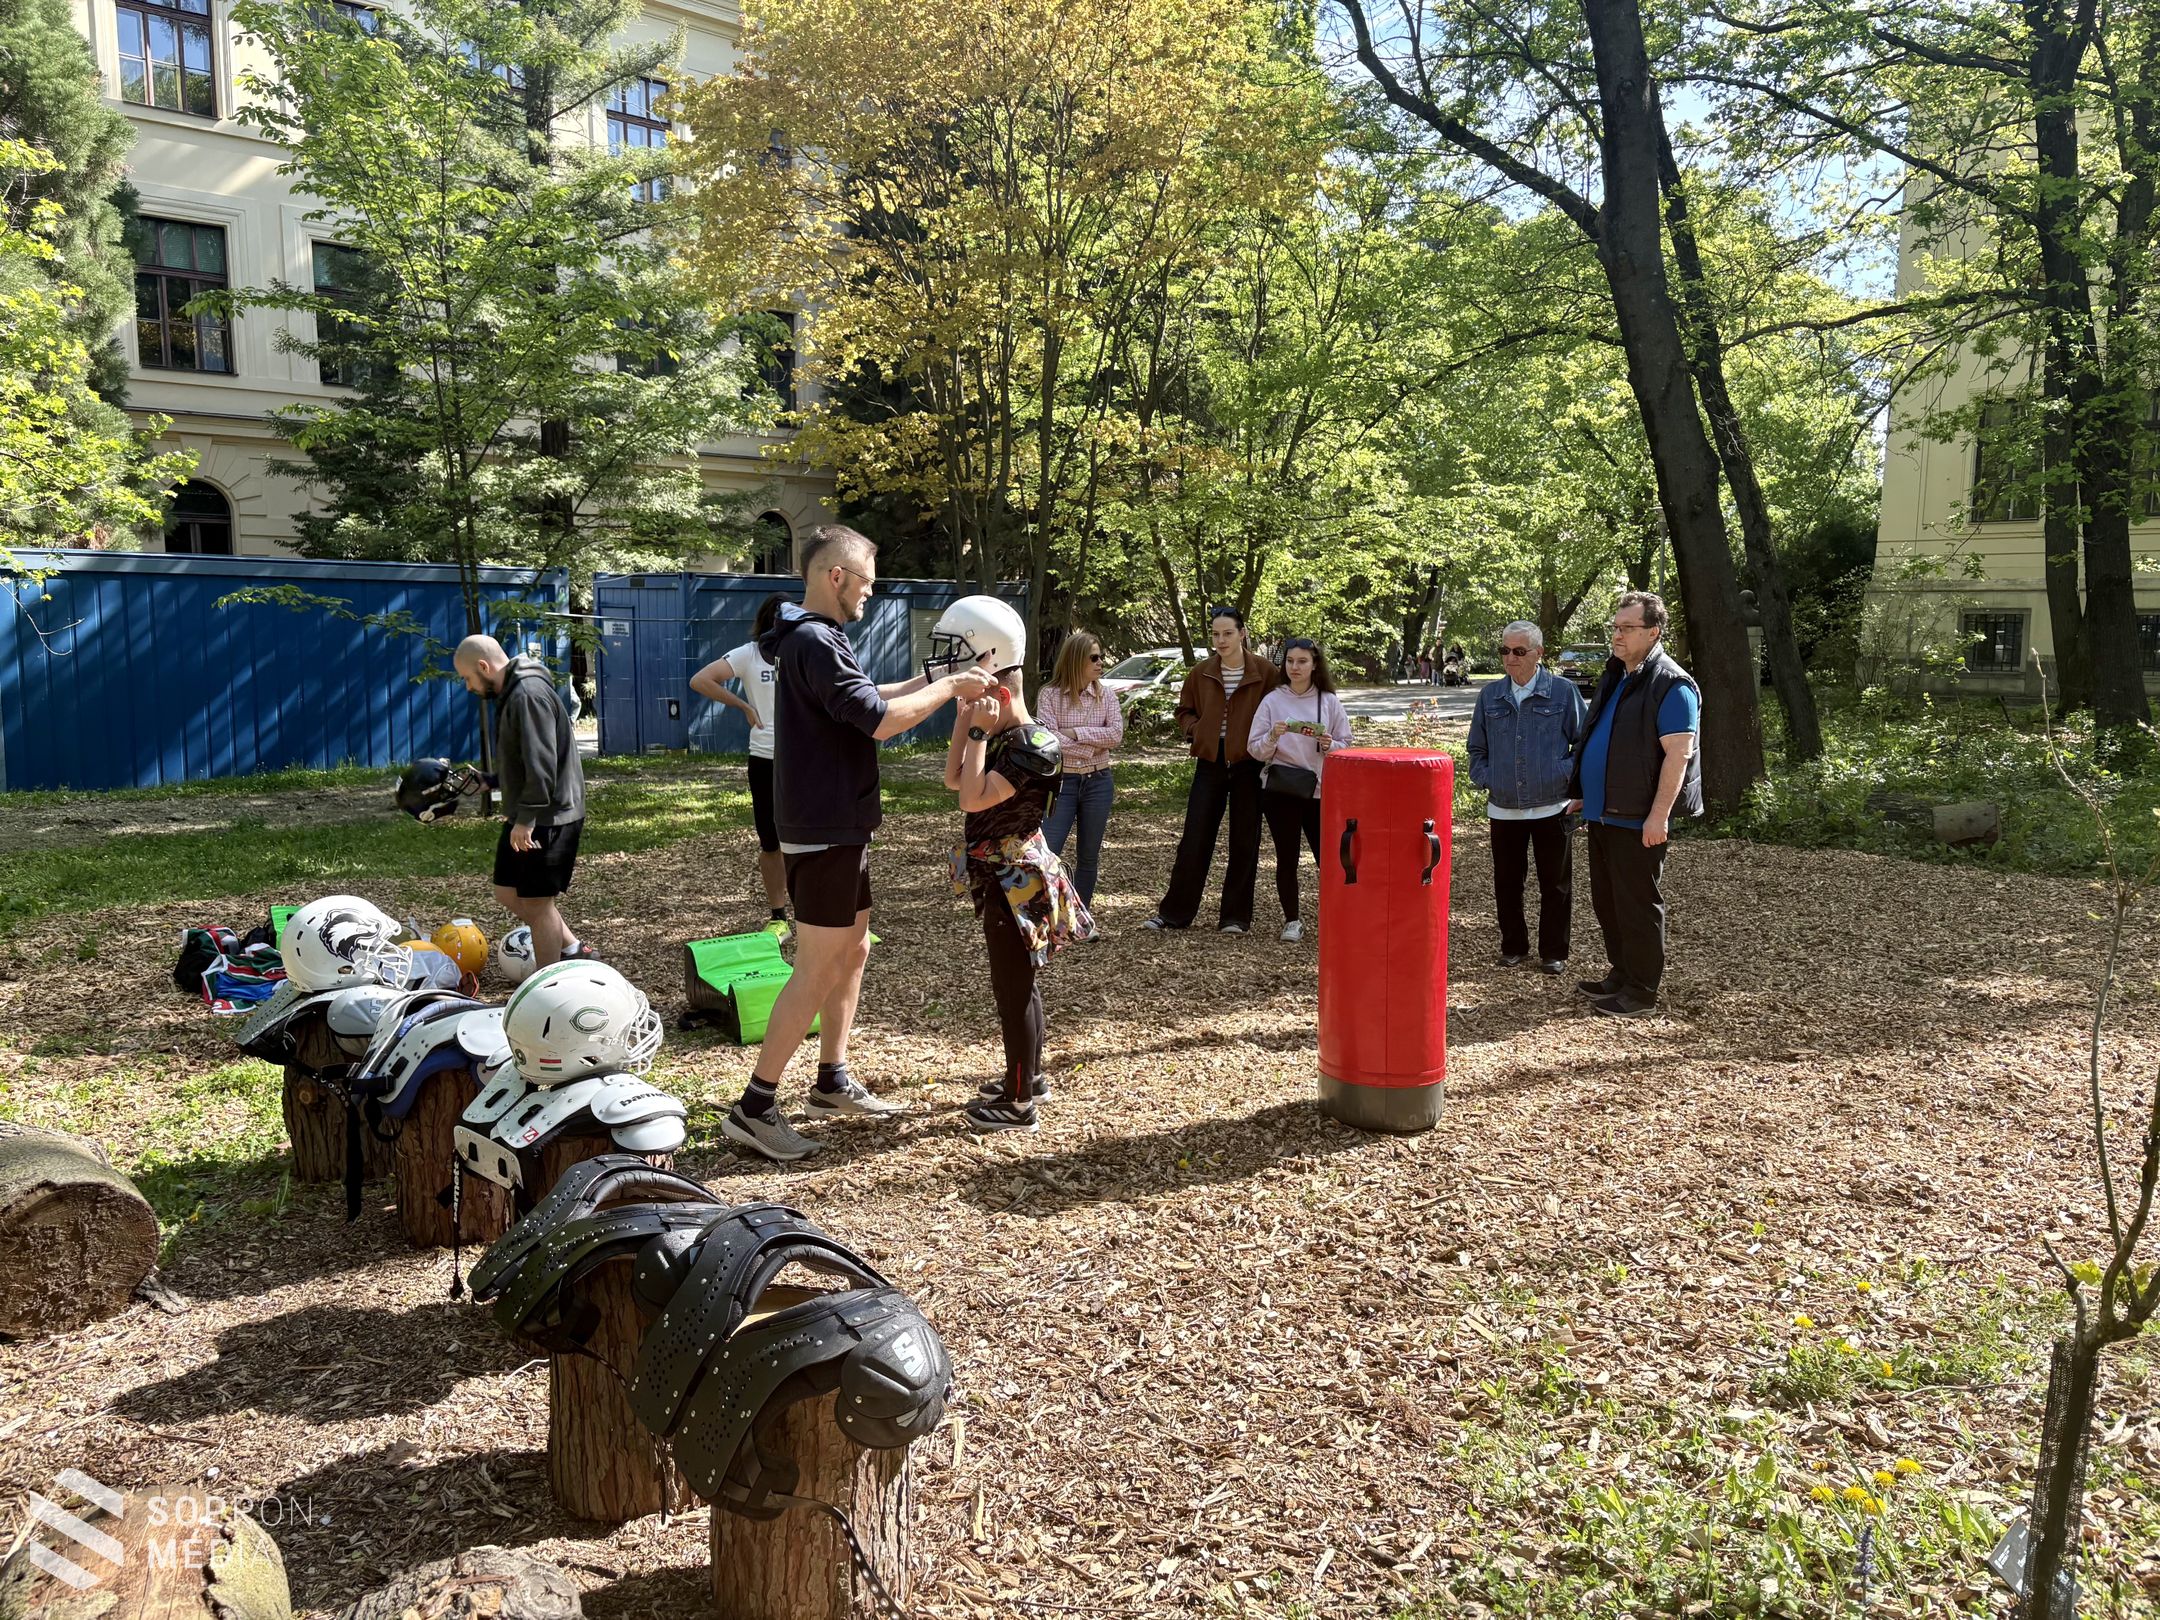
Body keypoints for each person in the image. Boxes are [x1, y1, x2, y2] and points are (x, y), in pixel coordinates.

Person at [721, 527, 995, 1162]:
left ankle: (831, 1080)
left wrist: (934, 678)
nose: (871, 592)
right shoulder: (814, 638)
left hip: (842, 823)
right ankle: (755, 1106)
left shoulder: (817, 639)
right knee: (818, 963)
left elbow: (868, 700)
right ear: (834, 577)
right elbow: (881, 723)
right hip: (822, 828)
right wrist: (953, 690)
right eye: (866, 581)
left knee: (855, 948)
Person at [941, 598, 1096, 1132]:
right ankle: (1027, 1078)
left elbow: (973, 799)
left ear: (999, 689)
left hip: (1016, 878)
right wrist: (967, 724)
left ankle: (1018, 1101)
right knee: (1015, 980)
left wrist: (981, 735)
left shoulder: (1035, 744)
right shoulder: (1004, 738)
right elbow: (953, 779)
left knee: (1014, 985)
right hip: (995, 873)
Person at [1570, 591, 1702, 1018]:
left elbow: (1678, 755)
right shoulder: (1618, 675)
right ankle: (1621, 974)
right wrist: (1583, 794)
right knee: (1608, 902)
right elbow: (1601, 740)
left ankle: (1642, 990)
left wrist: (1659, 816)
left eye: (1627, 628)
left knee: (1638, 905)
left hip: (1637, 818)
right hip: (1603, 812)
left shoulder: (1672, 684)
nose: (1617, 635)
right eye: (1615, 627)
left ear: (1653, 632)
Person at [454, 634, 592, 968]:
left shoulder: (527, 696)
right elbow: (524, 761)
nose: (468, 686)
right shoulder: (512, 693)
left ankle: (546, 985)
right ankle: (574, 949)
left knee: (537, 905)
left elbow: (543, 766)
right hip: (530, 813)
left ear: (484, 667)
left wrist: (526, 818)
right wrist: (491, 781)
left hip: (549, 816)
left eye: (467, 678)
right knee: (507, 891)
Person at [1142, 608, 1279, 934]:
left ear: (1242, 633)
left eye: (1227, 633)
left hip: (1249, 763)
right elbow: (1183, 711)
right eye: (1216, 634)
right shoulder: (1201, 672)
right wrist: (1197, 729)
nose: (1221, 640)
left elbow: (1279, 709)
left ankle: (1235, 917)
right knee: (1195, 838)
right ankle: (1174, 914)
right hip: (1210, 762)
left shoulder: (1265, 672)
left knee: (1244, 840)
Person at [1465, 620, 1586, 973]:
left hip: (1552, 805)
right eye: (1505, 651)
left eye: (1519, 651)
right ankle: (1513, 946)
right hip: (1504, 809)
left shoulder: (1563, 692)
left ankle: (1554, 953)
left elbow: (1583, 743)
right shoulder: (1491, 695)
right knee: (1506, 883)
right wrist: (1488, 778)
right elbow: (1476, 747)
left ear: (1539, 653)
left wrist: (1564, 776)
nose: (1510, 658)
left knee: (1556, 884)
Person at [690, 593, 789, 933]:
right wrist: (743, 706)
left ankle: (818, 913)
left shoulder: (804, 653)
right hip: (764, 757)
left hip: (803, 759)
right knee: (770, 840)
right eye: (777, 619)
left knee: (811, 840)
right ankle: (779, 916)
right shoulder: (748, 655)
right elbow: (701, 679)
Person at [1247, 638, 1352, 942]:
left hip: (1319, 791)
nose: (1295, 667)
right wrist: (1272, 737)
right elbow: (1253, 749)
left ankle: (1336, 916)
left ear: (1315, 664)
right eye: (1290, 661)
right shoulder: (1272, 700)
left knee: (1329, 859)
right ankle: (1292, 919)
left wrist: (1331, 745)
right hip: (1280, 790)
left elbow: (1348, 743)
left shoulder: (1328, 701)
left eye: (1302, 661)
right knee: (1287, 857)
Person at [1036, 629, 1122, 910]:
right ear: (1075, 660)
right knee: (1049, 851)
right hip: (1062, 782)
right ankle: (1046, 913)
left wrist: (1075, 733)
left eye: (1101, 657)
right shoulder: (1049, 695)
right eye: (1094, 657)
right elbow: (1051, 740)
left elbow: (1116, 735)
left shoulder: (1106, 695)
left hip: (1099, 782)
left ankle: (1080, 916)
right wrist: (1091, 744)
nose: (1100, 663)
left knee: (1089, 856)